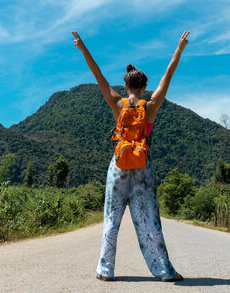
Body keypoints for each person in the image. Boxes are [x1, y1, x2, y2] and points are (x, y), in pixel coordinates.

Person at [72, 30, 190, 282]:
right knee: (149, 221)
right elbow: (168, 77)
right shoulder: (151, 105)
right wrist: (178, 49)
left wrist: (83, 49)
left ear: (125, 86)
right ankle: (164, 271)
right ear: (145, 86)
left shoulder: (117, 103)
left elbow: (99, 76)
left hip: (118, 165)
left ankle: (105, 270)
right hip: (143, 167)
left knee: (111, 218)